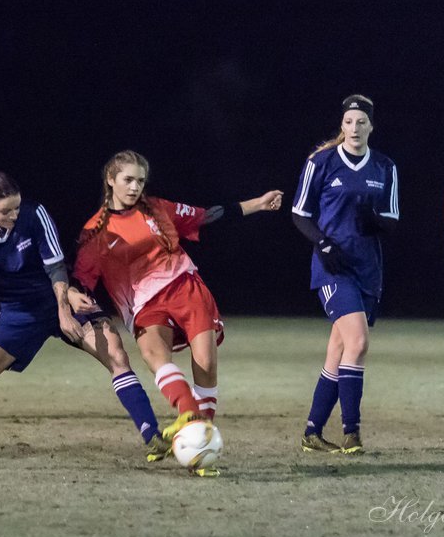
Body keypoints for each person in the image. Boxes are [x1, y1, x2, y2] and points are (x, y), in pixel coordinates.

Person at [0, 171, 163, 470]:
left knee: (115, 353)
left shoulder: (35, 215)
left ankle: (153, 436)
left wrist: (63, 310)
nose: (14, 215)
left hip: (62, 299)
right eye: (6, 210)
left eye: (16, 207)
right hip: (19, 313)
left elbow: (57, 267)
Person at [71, 150, 283, 474]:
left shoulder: (158, 209)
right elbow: (81, 280)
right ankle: (189, 414)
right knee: (155, 356)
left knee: (207, 366)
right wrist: (72, 295)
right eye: (127, 179)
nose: (134, 187)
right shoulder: (95, 233)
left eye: (140, 180)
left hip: (185, 288)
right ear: (110, 180)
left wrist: (257, 203)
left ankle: (201, 445)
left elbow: (209, 216)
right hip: (143, 305)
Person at [290, 95, 399, 454]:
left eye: (361, 122)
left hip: (368, 270)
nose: (354, 128)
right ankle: (352, 433)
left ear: (371, 126)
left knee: (338, 351)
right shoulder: (320, 162)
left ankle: (311, 431)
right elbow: (300, 213)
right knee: (359, 343)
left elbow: (392, 220)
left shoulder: (385, 167)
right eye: (349, 121)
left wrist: (376, 222)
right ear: (342, 125)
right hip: (332, 269)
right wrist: (322, 243)